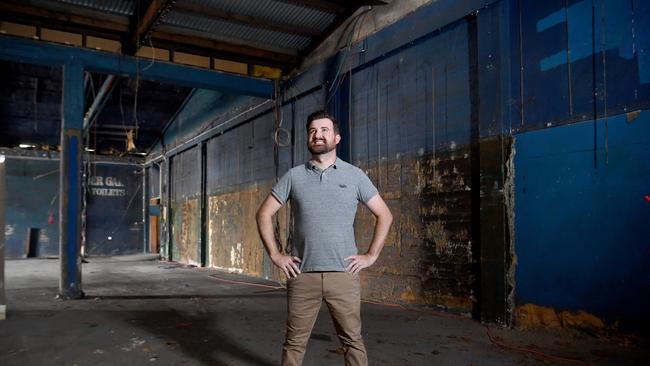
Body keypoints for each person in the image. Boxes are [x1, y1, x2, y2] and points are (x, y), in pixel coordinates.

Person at [256, 110, 393, 366]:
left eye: (324, 130)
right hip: (302, 274)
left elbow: (384, 215)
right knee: (294, 343)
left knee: (352, 340)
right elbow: (263, 214)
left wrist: (371, 255)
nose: (318, 135)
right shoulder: (294, 176)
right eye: (312, 131)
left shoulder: (355, 176)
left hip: (343, 274)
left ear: (337, 138)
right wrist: (276, 255)